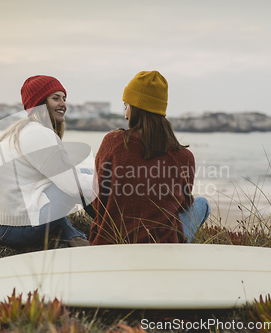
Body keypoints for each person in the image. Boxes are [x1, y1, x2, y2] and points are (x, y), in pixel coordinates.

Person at [89, 71, 209, 245]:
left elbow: (97, 200)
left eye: (126, 106)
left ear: (136, 108)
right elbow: (183, 203)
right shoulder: (185, 156)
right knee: (202, 203)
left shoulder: (113, 142)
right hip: (161, 246)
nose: (125, 115)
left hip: (111, 242)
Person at [0, 75, 92, 248]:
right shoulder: (39, 133)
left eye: (64, 99)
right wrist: (111, 181)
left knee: (70, 181)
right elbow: (74, 187)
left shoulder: (18, 131)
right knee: (85, 178)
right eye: (56, 98)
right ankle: (115, 232)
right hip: (15, 229)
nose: (63, 104)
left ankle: (74, 238)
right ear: (41, 104)